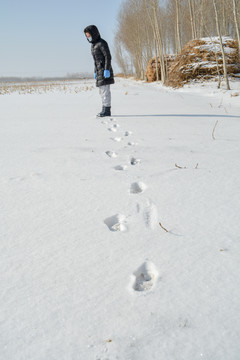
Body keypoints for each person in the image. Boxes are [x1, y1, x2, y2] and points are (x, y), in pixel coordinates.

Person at [84, 25, 114, 117]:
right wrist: (95, 71)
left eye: (89, 35)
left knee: (105, 91)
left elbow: (107, 57)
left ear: (94, 33)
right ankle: (104, 108)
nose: (88, 37)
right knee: (101, 92)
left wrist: (106, 69)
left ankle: (107, 110)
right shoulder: (93, 46)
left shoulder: (102, 43)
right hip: (99, 71)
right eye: (86, 36)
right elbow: (96, 61)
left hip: (104, 71)